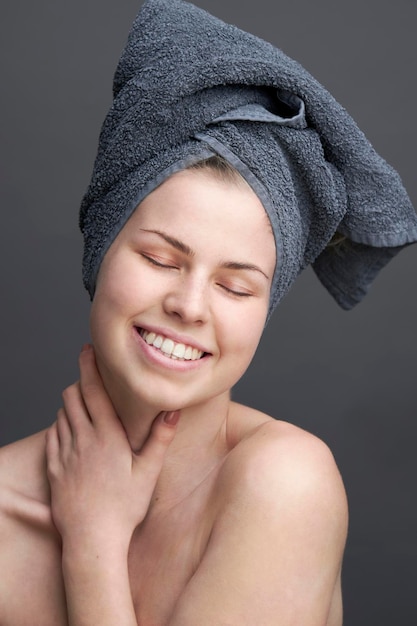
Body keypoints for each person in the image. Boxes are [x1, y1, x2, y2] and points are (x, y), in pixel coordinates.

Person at [0, 1, 416, 625]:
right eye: (161, 258)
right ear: (101, 248)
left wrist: (93, 546)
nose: (189, 306)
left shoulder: (284, 483)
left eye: (237, 287)